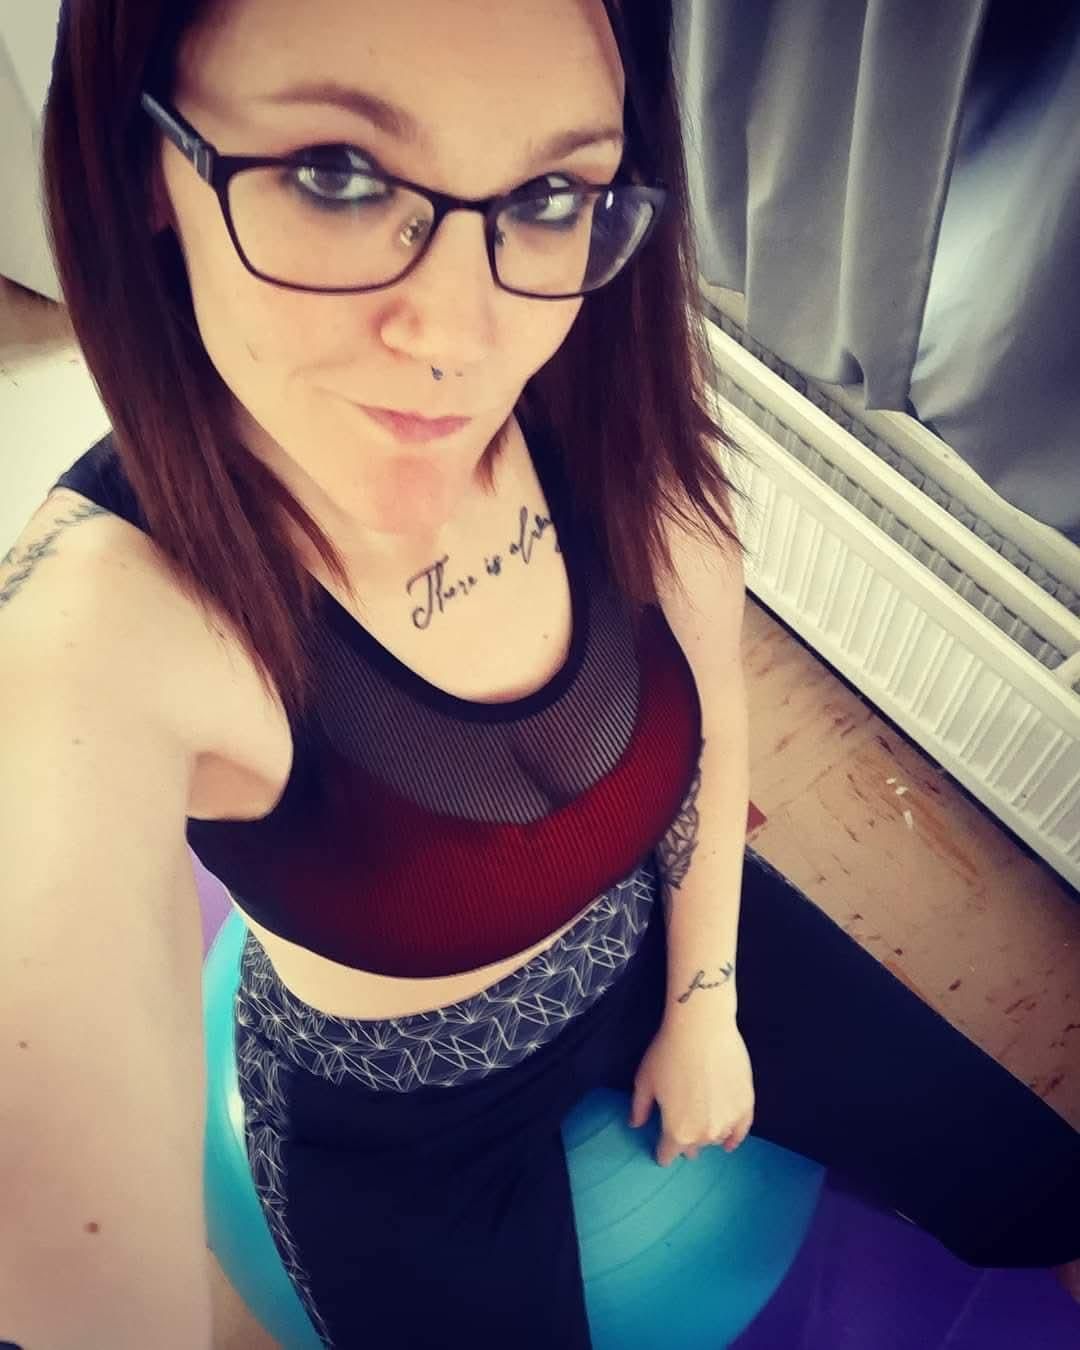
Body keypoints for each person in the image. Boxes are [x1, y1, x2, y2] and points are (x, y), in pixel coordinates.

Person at [3, 1, 1078, 1348]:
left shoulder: (602, 394)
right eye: (336, 173)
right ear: (141, 167)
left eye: (552, 193)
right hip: (398, 1117)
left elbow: (713, 710)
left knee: (1038, 1181)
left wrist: (705, 1002)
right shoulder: (97, 628)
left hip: (649, 929)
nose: (464, 337)